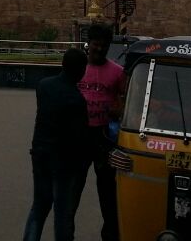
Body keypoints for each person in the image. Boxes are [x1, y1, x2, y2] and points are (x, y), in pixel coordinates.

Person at [22, 47, 90, 241]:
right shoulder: (76, 99)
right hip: (63, 162)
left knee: (39, 207)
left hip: (40, 154)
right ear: (79, 70)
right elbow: (79, 136)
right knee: (62, 213)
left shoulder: (44, 86)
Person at [74, 23, 127, 241]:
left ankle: (111, 235)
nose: (99, 49)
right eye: (96, 44)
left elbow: (125, 101)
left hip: (104, 137)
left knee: (107, 192)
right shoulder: (77, 69)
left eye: (104, 46)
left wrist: (118, 109)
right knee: (72, 189)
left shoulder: (117, 72)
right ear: (89, 44)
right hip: (79, 136)